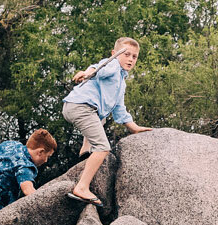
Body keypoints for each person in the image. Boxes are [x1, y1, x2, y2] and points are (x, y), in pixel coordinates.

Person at [62, 37, 154, 204]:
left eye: (134, 56)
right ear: (115, 54)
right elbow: (99, 68)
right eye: (126, 54)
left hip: (79, 107)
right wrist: (87, 72)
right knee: (103, 147)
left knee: (101, 117)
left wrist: (133, 127)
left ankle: (85, 150)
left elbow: (119, 109)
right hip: (81, 107)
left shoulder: (121, 82)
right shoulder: (112, 66)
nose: (130, 59)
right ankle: (81, 187)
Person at [0, 129, 57, 219]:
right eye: (47, 156)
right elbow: (28, 190)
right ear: (40, 152)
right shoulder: (25, 166)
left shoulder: (11, 145)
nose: (46, 161)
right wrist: (46, 205)